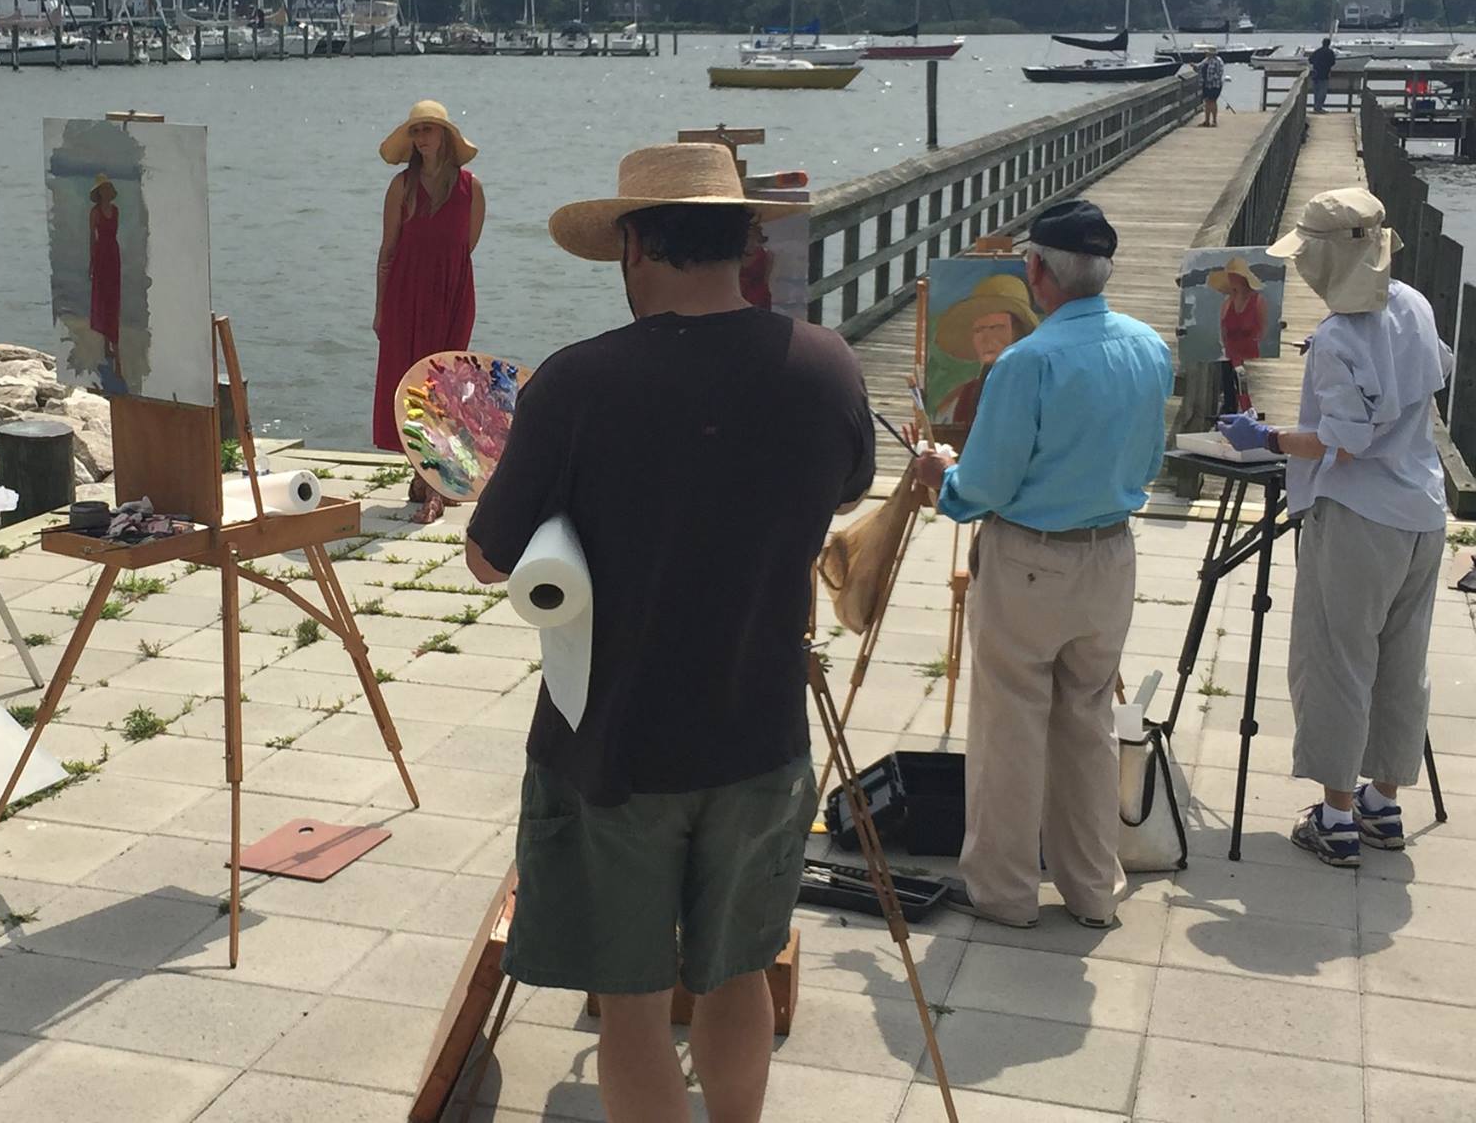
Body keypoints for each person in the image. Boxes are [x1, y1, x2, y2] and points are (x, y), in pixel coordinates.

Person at [466, 144, 874, 1123]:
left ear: (635, 243)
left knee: (635, 1006)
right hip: (759, 726)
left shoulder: (575, 382)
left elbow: (489, 555)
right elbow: (849, 487)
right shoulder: (823, 364)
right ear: (743, 241)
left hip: (613, 739)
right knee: (737, 974)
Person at [911, 199, 1172, 931]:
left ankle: (1004, 891)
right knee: (1087, 721)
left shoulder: (1029, 361)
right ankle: (1093, 887)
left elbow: (984, 487)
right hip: (1110, 553)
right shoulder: (1149, 346)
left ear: (1037, 273)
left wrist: (942, 478)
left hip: (1031, 556)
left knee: (1010, 726)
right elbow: (1148, 459)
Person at [1215, 188, 1451, 867]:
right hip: (1421, 510)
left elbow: (1340, 441)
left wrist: (1270, 437)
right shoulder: (1414, 303)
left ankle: (1337, 814)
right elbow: (1431, 373)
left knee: (1339, 662)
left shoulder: (1341, 337)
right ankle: (1383, 801)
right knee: (1403, 665)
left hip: (1359, 517)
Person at [373, 100, 486, 524]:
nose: (422, 139)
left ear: (445, 137)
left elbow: (465, 248)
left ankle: (435, 483)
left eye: (429, 130)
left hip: (453, 293)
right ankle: (428, 482)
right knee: (410, 387)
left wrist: (445, 283)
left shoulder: (471, 188)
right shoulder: (401, 187)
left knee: (446, 388)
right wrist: (381, 309)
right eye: (416, 131)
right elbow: (387, 251)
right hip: (406, 294)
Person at [933, 274, 1039, 431]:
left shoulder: (1038, 391)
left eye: (996, 327)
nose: (986, 338)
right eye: (979, 330)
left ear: (1019, 333)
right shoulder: (957, 401)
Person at [1208, 255, 1267, 413]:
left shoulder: (1257, 301)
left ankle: (1243, 408)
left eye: (1235, 276)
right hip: (1230, 351)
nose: (1232, 279)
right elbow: (1223, 331)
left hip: (1249, 351)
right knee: (1229, 373)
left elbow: (1263, 329)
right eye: (1230, 276)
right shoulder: (1227, 303)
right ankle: (1235, 407)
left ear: (1243, 278)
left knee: (1238, 373)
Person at [87, 174, 123, 389]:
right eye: (103, 190)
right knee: (103, 298)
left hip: (113, 254)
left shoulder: (116, 211)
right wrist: (91, 262)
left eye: (108, 189)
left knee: (113, 299)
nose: (107, 193)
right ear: (99, 193)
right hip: (101, 255)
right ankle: (108, 349)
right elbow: (93, 238)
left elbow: (112, 234)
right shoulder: (95, 213)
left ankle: (112, 347)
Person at [737, 214, 775, 310]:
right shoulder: (734, 255)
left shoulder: (767, 255)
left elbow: (765, 282)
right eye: (749, 237)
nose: (752, 241)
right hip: (737, 295)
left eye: (755, 237)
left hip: (757, 298)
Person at [1308, 37, 1338, 113]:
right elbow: (1333, 62)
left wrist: (1316, 63)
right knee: (1322, 92)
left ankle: (1316, 107)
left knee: (1316, 92)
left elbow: (1310, 60)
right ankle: (1319, 108)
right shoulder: (1330, 52)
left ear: (1322, 43)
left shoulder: (1317, 51)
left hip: (1315, 73)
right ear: (1329, 44)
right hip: (1324, 74)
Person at [1198, 49, 1225, 126]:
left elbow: (1219, 73)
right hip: (1206, 85)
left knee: (1212, 101)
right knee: (1207, 102)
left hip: (1215, 85)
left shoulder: (1218, 61)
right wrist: (1195, 66)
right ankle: (1206, 121)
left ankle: (1214, 121)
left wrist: (1210, 79)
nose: (1206, 54)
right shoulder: (1206, 60)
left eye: (1208, 53)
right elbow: (1199, 67)